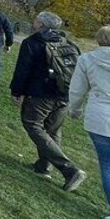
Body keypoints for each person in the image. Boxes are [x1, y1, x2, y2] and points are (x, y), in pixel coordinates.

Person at [10, 11, 86, 191]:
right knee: (52, 130)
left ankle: (70, 169)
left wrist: (16, 91)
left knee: (33, 124)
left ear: (41, 24)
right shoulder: (70, 44)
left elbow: (23, 69)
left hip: (40, 93)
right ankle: (44, 166)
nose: (34, 22)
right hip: (64, 95)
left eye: (36, 20)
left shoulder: (33, 42)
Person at [69, 25, 110, 219]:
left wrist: (74, 110)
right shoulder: (87, 60)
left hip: (101, 118)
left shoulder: (87, 60)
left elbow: (77, 89)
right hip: (105, 116)